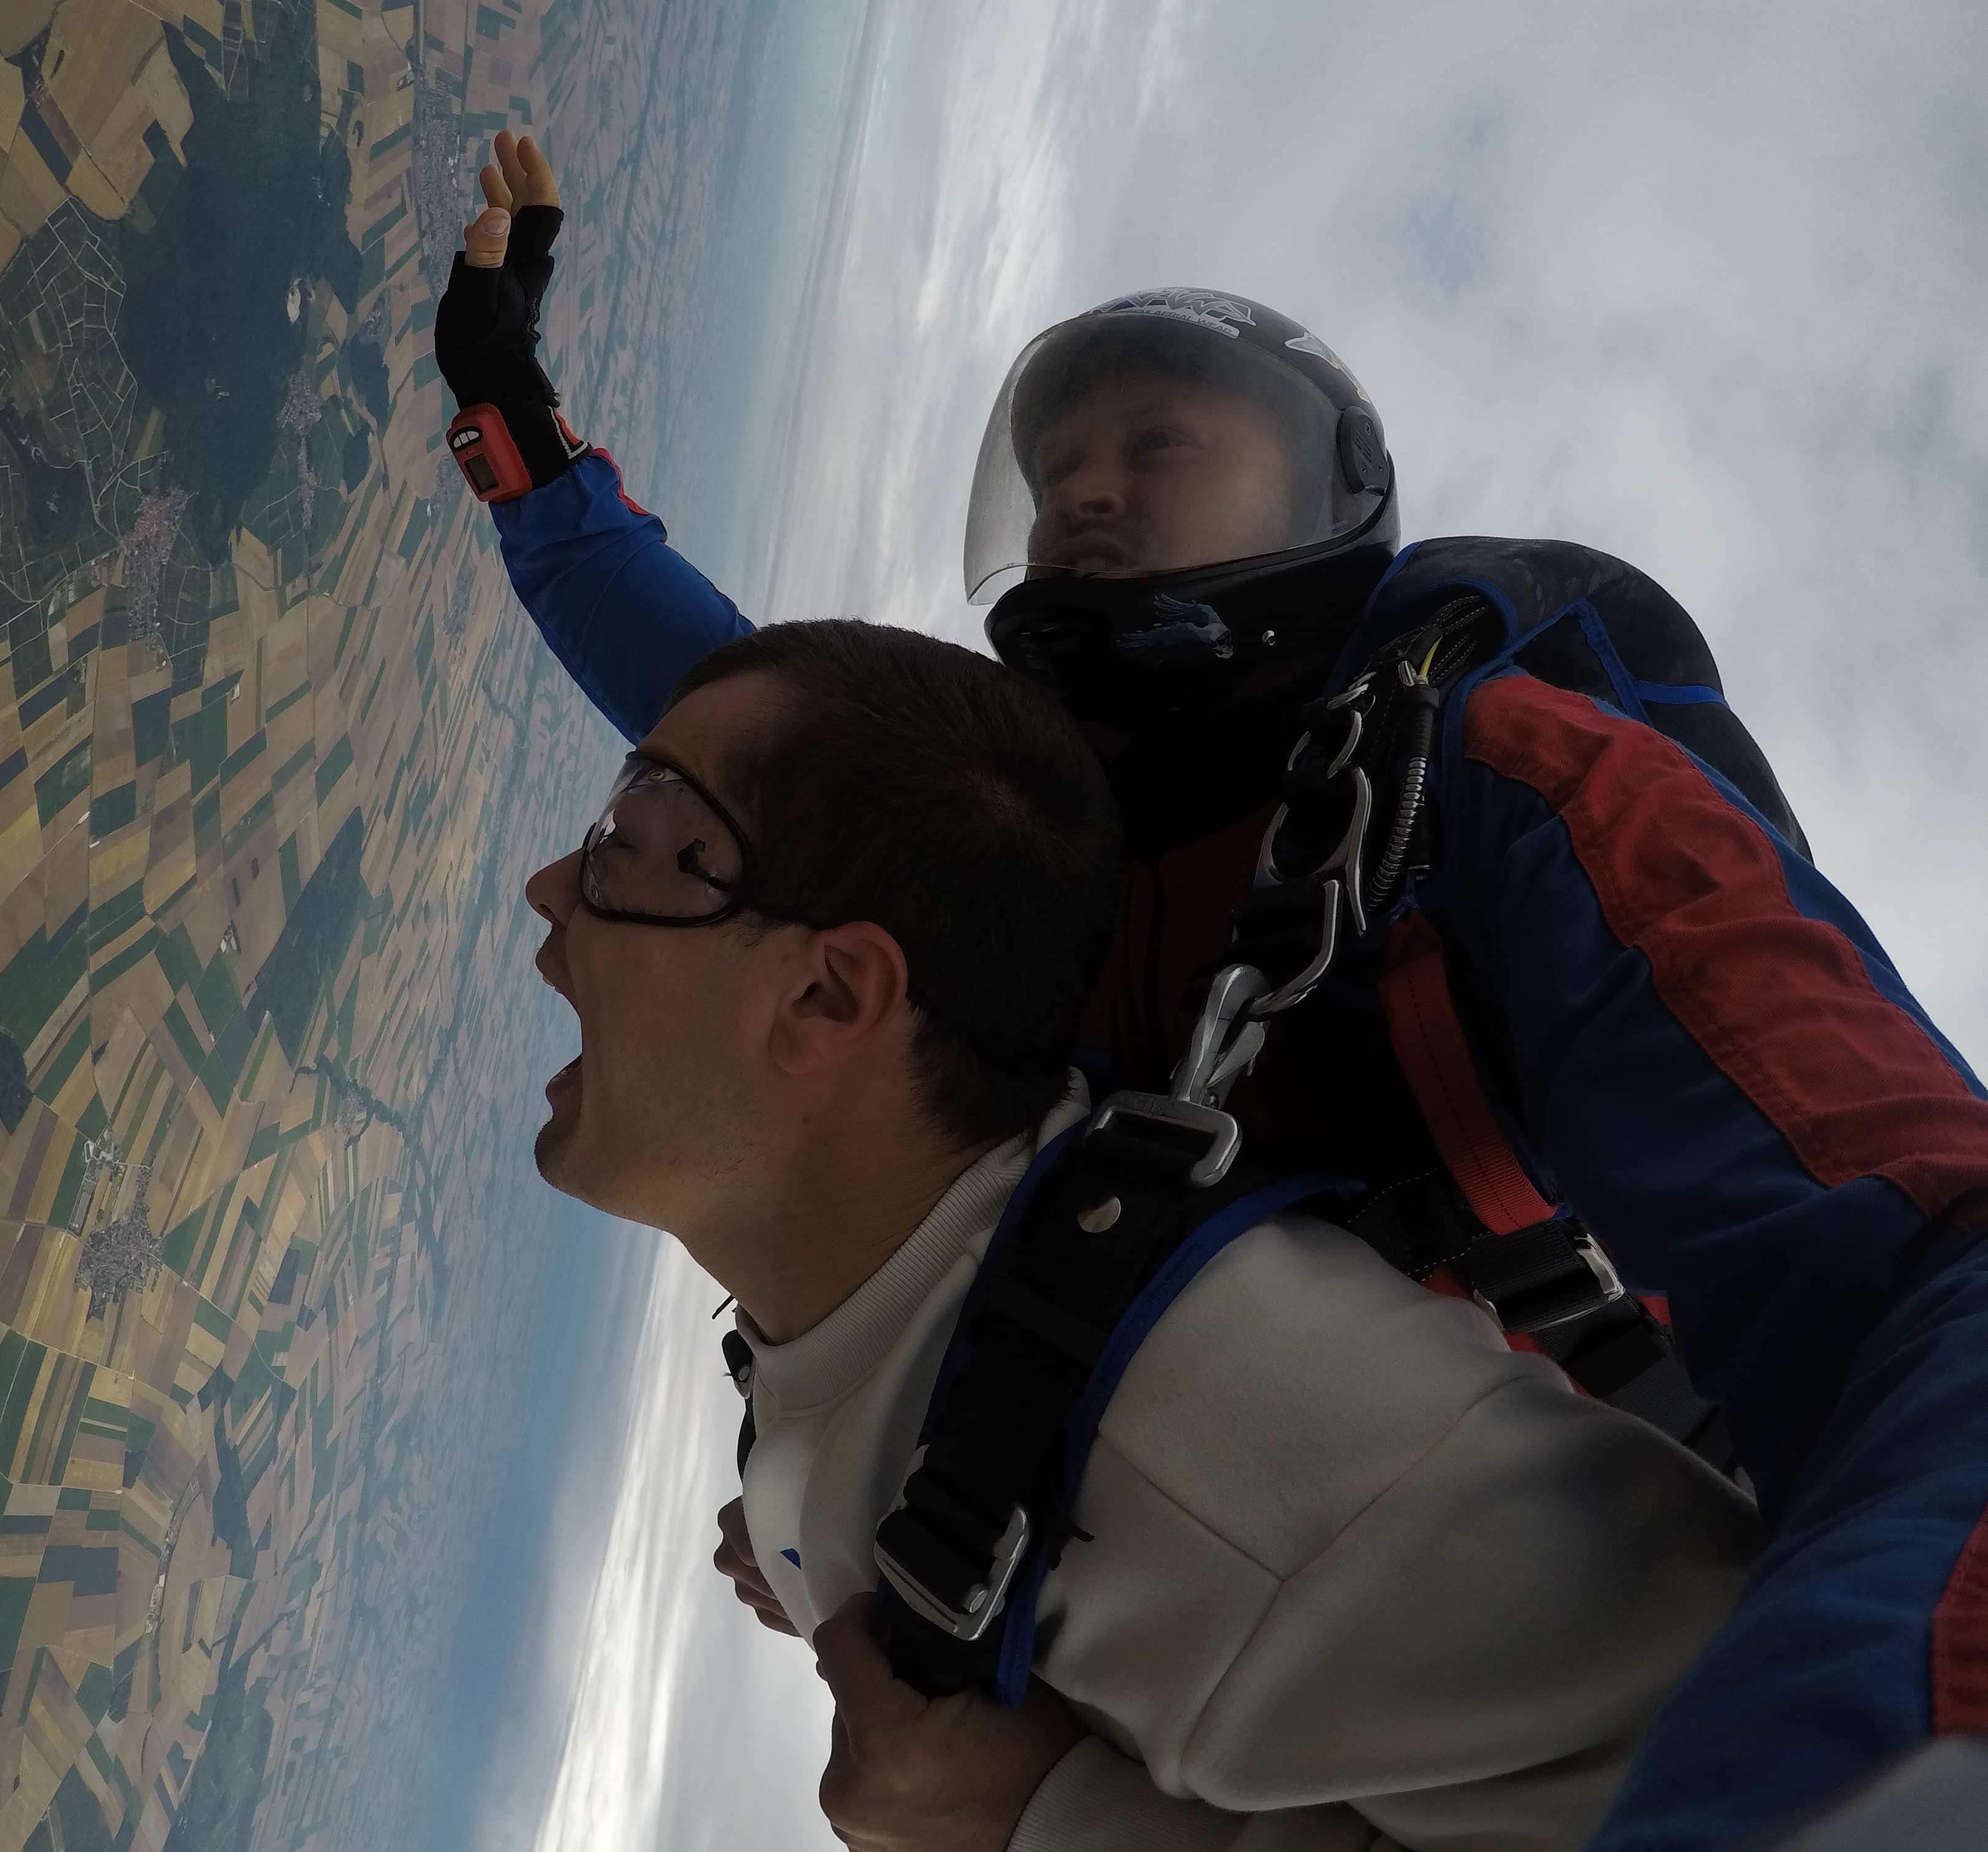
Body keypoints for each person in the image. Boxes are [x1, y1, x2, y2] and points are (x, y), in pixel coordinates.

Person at [443, 134, 1988, 1851]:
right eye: (1055, 470)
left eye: (1159, 443)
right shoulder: (1045, 842)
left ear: (1323, 492)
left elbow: (1926, 1263)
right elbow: (729, 739)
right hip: (1257, 1559)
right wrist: (505, 409)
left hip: (1602, 1524)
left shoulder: (1512, 792)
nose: (1086, 495)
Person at [523, 615, 1758, 1851]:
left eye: (631, 842)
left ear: (826, 993)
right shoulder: (901, 1326)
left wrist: (1051, 1823)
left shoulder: (1249, 1436)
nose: (550, 890)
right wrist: (814, 1543)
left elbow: (1804, 1791)